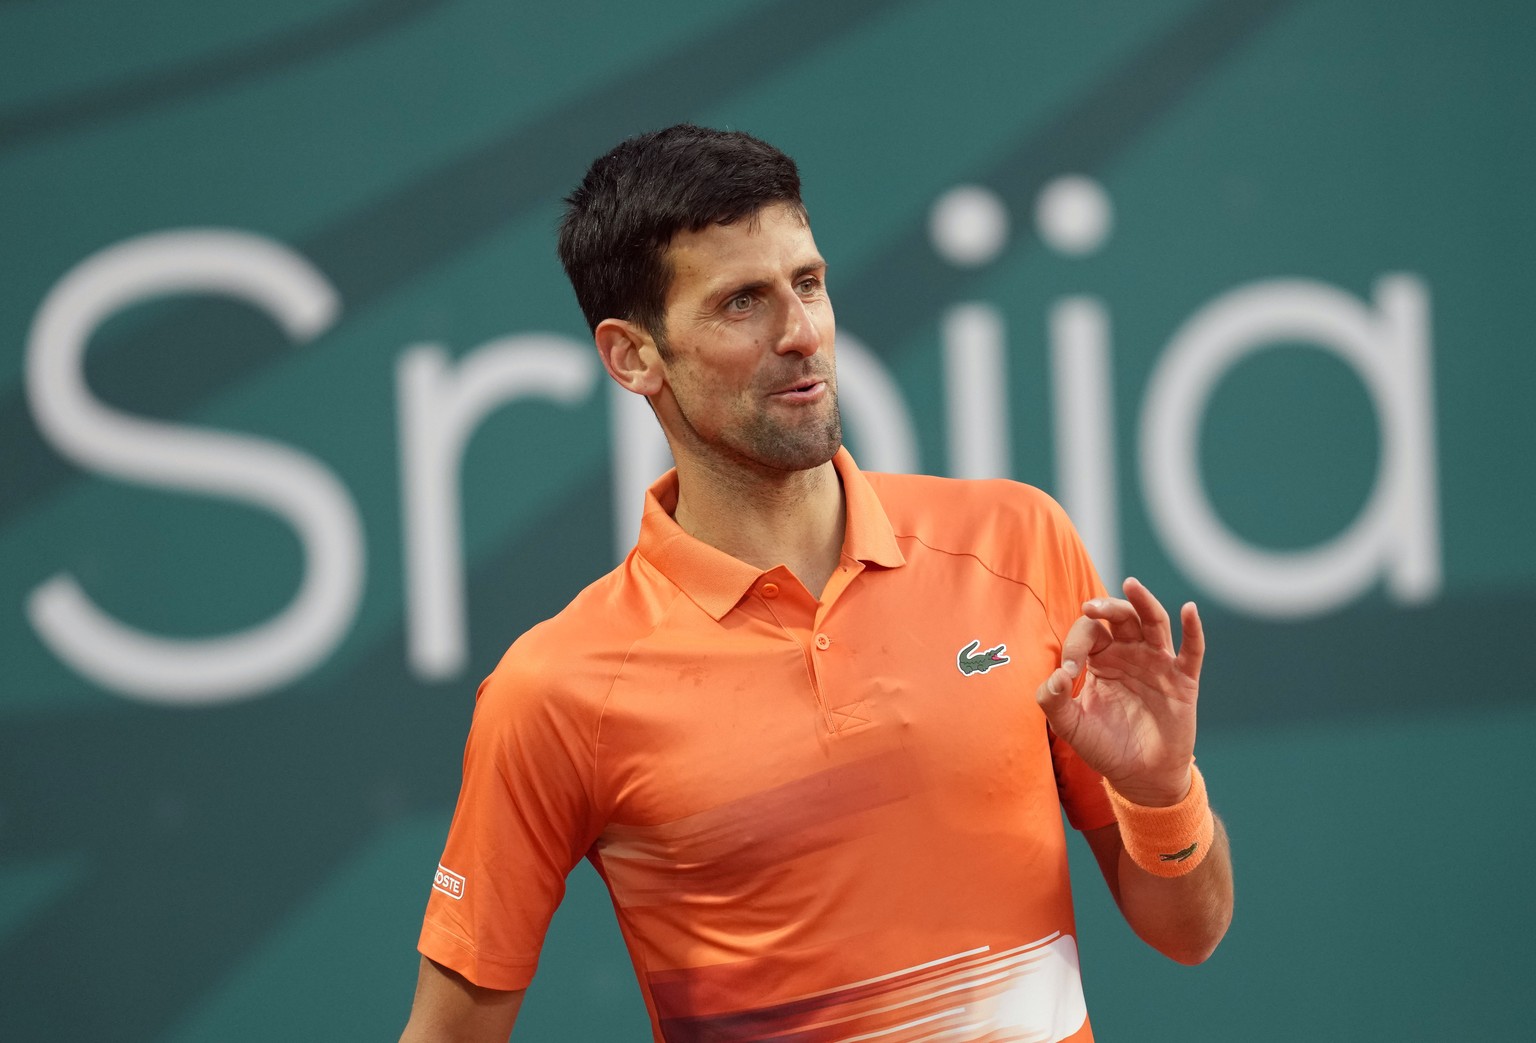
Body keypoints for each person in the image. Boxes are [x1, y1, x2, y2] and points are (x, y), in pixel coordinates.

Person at [399, 124, 1233, 1043]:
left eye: (807, 282)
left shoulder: (1017, 539)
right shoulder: (556, 689)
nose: (802, 333)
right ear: (633, 356)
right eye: (740, 303)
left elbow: (1189, 931)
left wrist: (1162, 791)